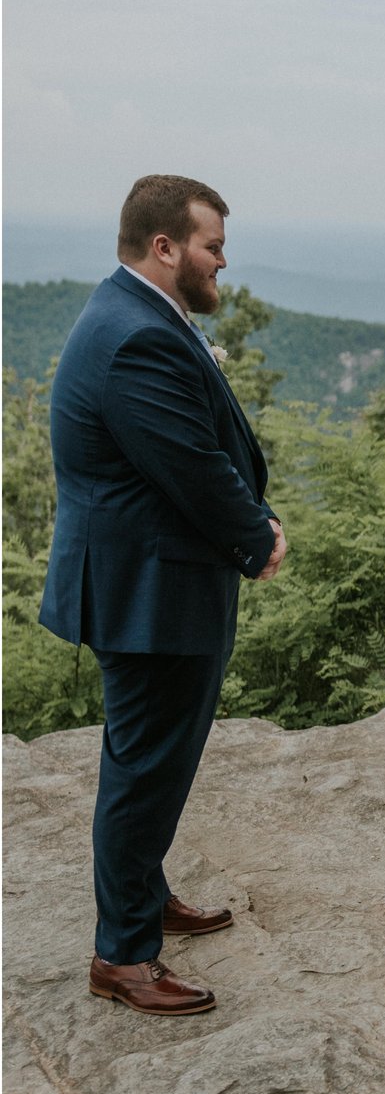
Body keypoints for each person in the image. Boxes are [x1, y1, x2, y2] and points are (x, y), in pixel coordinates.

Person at [40, 175, 287, 1016]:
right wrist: (258, 538)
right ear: (165, 248)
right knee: (144, 768)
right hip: (148, 590)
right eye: (213, 246)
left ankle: (142, 894)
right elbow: (189, 464)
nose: (223, 262)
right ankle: (123, 955)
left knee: (152, 761)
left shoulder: (135, 315)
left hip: (154, 581)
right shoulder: (134, 335)